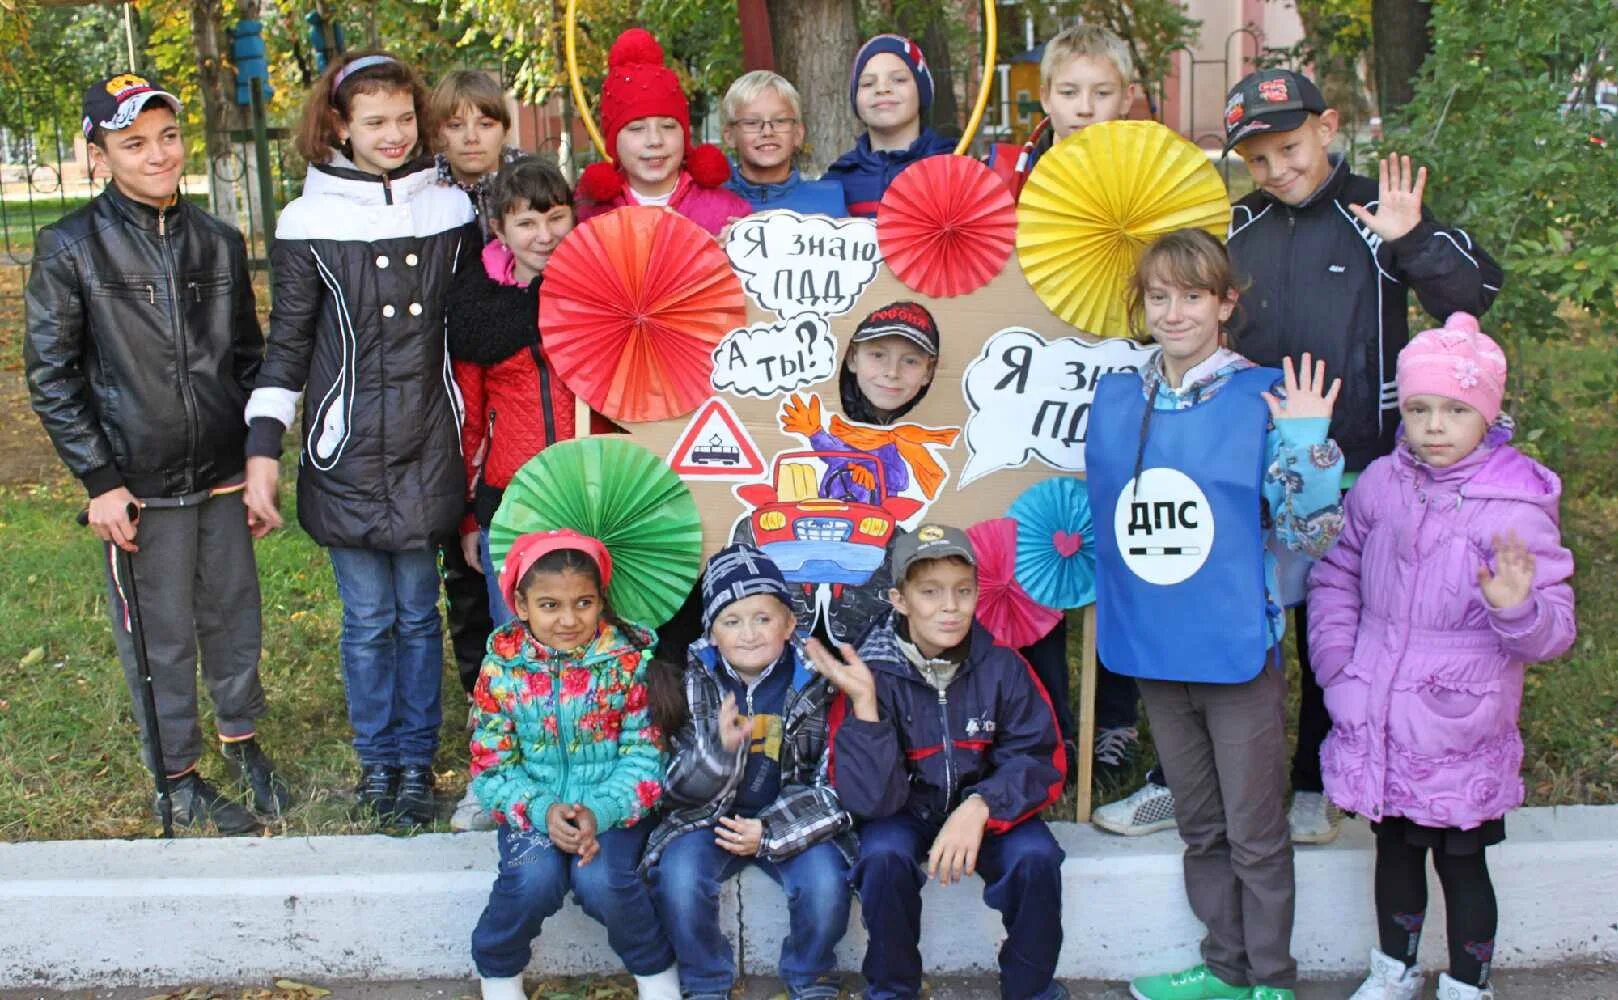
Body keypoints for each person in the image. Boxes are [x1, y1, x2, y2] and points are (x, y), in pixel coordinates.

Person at [1103, 68, 1506, 843]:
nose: (1276, 170)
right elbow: (1192, 313)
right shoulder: (1239, 225)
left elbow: (1476, 291)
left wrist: (1413, 239)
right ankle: (1176, 781)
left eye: (1289, 148)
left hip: (1357, 465)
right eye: (1257, 159)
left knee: (1334, 627)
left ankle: (1316, 782)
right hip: (1234, 466)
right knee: (1211, 614)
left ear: (1325, 128)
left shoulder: (1376, 216)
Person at [24, 73, 286, 835]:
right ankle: (176, 773)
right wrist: (100, 481)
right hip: (138, 488)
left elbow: (246, 356)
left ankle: (242, 737)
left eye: (168, 136)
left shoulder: (219, 241)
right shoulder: (71, 247)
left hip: (222, 478)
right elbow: (52, 374)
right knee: (160, 635)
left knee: (234, 618)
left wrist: (255, 461)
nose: (157, 154)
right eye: (133, 142)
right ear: (100, 152)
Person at [1087, 230, 1345, 1000]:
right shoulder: (1119, 396)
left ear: (1226, 303)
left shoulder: (1261, 397)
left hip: (1235, 645)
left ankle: (1271, 978)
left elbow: (1308, 534)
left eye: (1192, 296)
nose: (1174, 313)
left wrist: (1304, 442)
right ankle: (1224, 967)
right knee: (1200, 825)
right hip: (1154, 645)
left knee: (1256, 831)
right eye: (1159, 297)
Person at [1307, 313, 1576, 1000]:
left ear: (1488, 414)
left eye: (1455, 410)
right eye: (1420, 408)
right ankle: (1391, 972)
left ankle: (1466, 983)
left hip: (1461, 728)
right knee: (1394, 853)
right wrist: (1338, 665)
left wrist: (1517, 605)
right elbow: (1337, 573)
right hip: (1378, 715)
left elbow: (1553, 633)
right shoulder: (1381, 486)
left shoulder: (1511, 504)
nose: (1433, 426)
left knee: (1462, 866)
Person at [242, 51, 477, 828]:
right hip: (345, 450)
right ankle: (379, 761)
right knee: (368, 620)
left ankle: (418, 762)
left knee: (418, 613)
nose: (393, 134)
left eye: (406, 119)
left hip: (429, 446)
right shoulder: (309, 222)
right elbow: (288, 345)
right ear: (339, 125)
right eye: (374, 122)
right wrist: (262, 452)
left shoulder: (451, 208)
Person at [811, 524, 1068, 1000]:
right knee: (882, 857)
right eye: (930, 592)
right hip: (904, 811)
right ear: (900, 599)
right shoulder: (870, 672)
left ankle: (1031, 989)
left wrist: (980, 806)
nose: (950, 607)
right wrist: (866, 709)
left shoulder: (1004, 665)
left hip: (986, 809)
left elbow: (1040, 758)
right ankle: (892, 989)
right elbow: (869, 801)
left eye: (963, 591)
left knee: (1036, 858)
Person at [443, 156, 593, 831]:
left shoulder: (598, 288)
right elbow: (471, 421)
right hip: (514, 495)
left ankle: (586, 774)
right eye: (526, 220)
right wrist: (474, 516)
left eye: (556, 216)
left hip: (591, 491)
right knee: (516, 647)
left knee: (591, 641)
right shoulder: (480, 309)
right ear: (500, 228)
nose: (544, 233)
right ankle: (498, 779)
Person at [468, 530, 679, 1000]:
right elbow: (491, 766)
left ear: (601, 600)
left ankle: (656, 975)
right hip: (532, 809)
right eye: (549, 606)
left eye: (583, 603)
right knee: (531, 878)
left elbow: (646, 759)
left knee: (603, 880)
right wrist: (542, 810)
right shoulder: (502, 671)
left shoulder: (628, 665)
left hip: (611, 808)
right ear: (521, 605)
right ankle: (499, 975)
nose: (568, 619)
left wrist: (598, 813)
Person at [642, 543, 854, 1000]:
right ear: (712, 633)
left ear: (790, 623)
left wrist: (770, 830)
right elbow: (672, 791)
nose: (750, 634)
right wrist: (718, 750)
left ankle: (810, 971)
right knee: (679, 879)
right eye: (731, 622)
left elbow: (834, 780)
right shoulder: (694, 678)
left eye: (763, 618)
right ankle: (704, 978)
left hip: (789, 812)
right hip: (708, 817)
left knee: (826, 883)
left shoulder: (817, 680)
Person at [575, 28, 752, 235]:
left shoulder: (728, 213)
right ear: (614, 142)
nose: (655, 140)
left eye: (668, 126)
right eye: (637, 128)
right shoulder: (588, 217)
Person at [988, 24, 1139, 201]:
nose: (1085, 109)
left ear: (1126, 99)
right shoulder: (1004, 179)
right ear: (1045, 98)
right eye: (1068, 92)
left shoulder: (1148, 184)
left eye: (1102, 93)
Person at [825, 34, 956, 217]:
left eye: (899, 79)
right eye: (868, 83)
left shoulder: (956, 168)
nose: (882, 89)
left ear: (921, 91)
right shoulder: (836, 182)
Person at [721, 70, 848, 215]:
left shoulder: (830, 199)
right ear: (729, 136)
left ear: (798, 133)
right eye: (751, 123)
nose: (767, 132)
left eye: (780, 121)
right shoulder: (708, 205)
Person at [431, 68, 525, 235]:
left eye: (485, 125)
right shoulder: (422, 187)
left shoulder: (532, 181)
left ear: (505, 129)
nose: (471, 138)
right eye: (455, 125)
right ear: (437, 132)